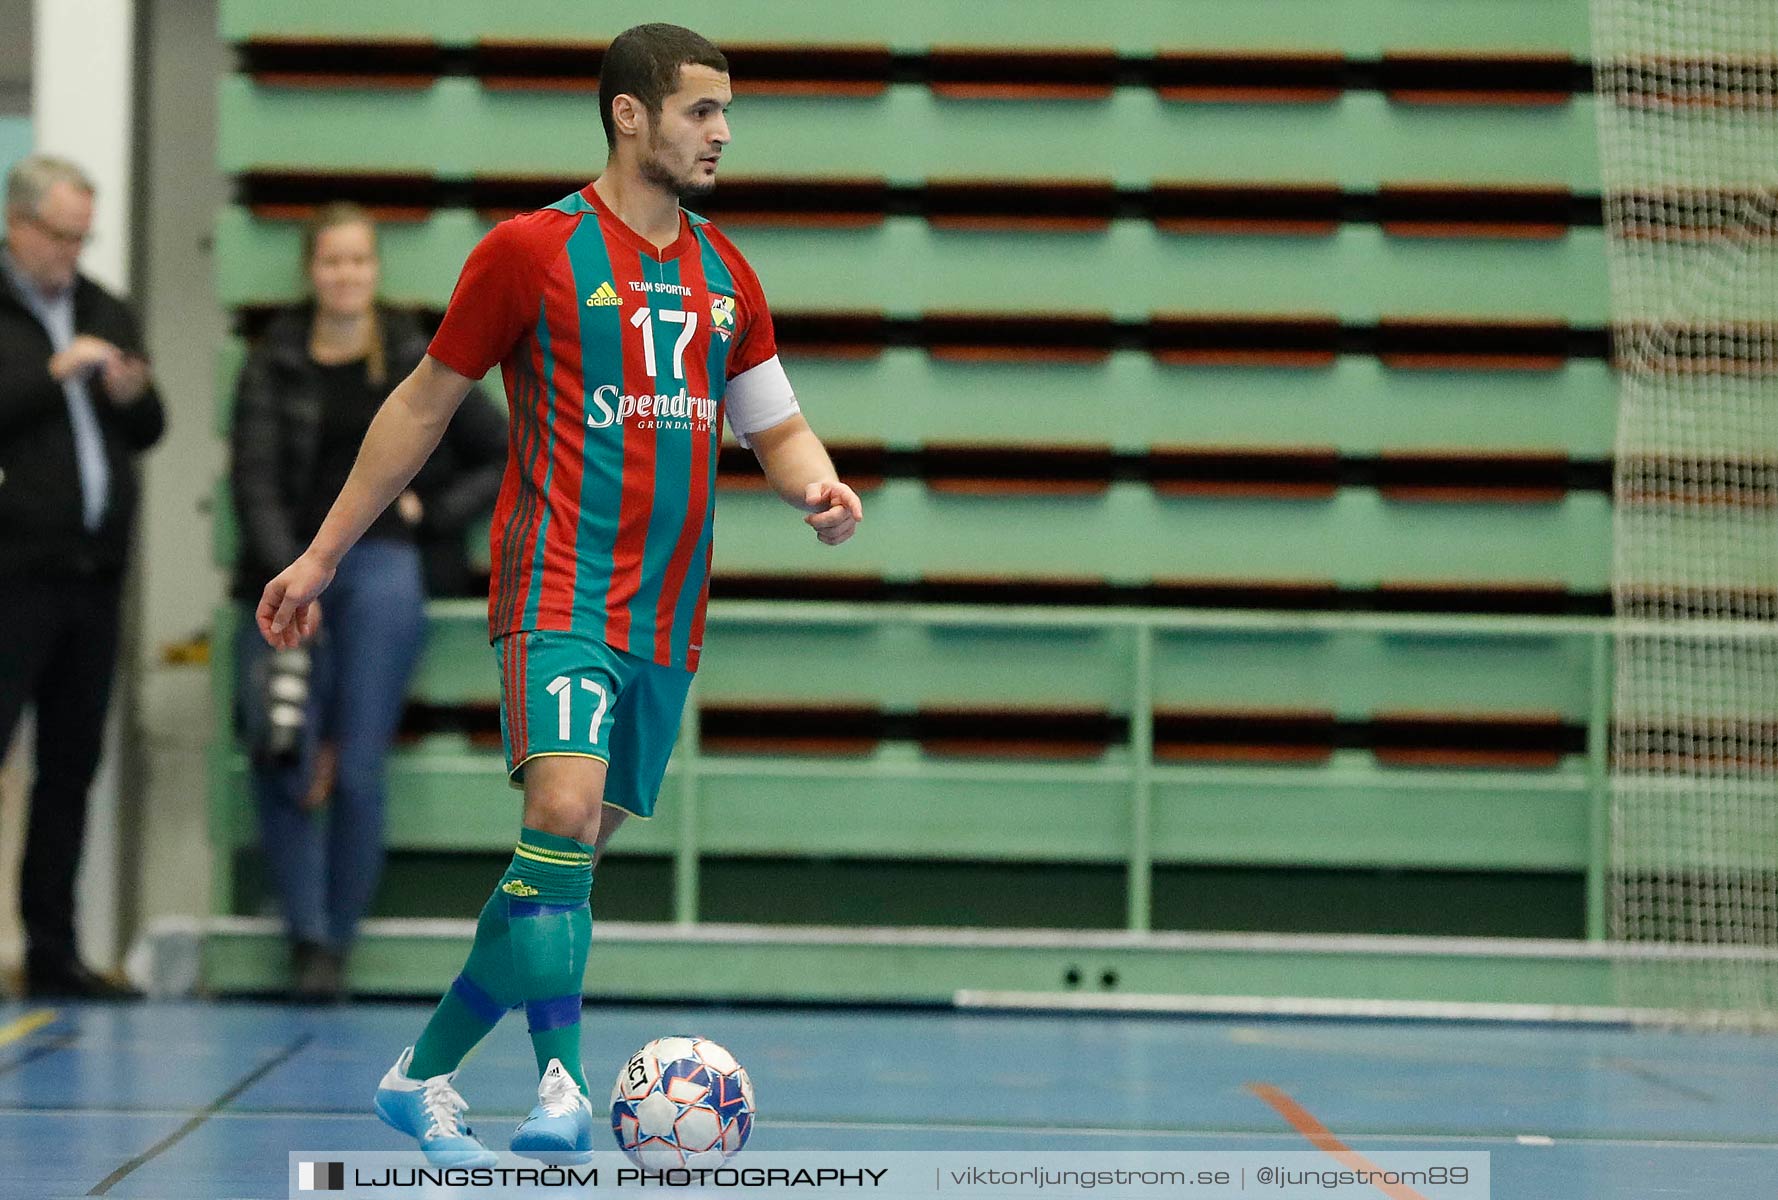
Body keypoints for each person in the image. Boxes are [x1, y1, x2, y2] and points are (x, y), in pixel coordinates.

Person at [256, 23, 862, 1162]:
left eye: (727, 111)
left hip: (667, 618)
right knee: (559, 813)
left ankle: (420, 1074)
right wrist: (323, 552)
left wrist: (815, 486)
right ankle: (561, 1087)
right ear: (629, 115)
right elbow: (423, 408)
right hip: (558, 587)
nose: (722, 131)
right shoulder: (530, 251)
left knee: (562, 863)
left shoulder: (726, 276)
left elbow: (771, 422)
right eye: (700, 110)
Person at [230, 203, 506, 1001]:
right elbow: (253, 479)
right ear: (310, 272)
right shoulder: (273, 358)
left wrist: (434, 513)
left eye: (359, 261)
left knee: (357, 767)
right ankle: (304, 934)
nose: (345, 275)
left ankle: (336, 945)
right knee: (279, 746)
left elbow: (500, 451)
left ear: (374, 269)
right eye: (331, 262)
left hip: (384, 563)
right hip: (289, 569)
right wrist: (296, 568)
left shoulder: (416, 350)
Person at [0, 154, 163, 1000]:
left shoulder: (103, 305)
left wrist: (133, 393)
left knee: (70, 769)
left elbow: (151, 429)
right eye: (59, 235)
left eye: (80, 235)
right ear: (18, 224)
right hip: (13, 575)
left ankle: (53, 950)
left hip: (94, 579)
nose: (71, 251)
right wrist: (53, 372)